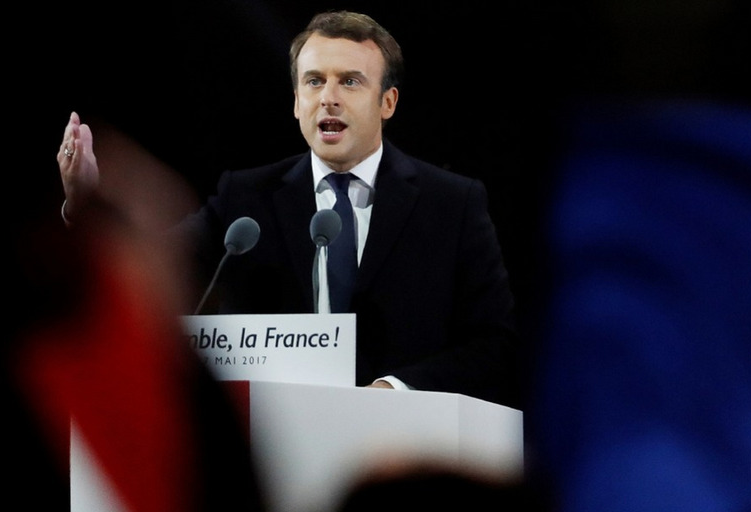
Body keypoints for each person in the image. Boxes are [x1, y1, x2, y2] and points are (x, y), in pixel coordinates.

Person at [55, 10, 520, 408]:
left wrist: (392, 390)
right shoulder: (247, 200)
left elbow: (494, 345)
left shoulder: (451, 203)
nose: (329, 97)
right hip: (280, 450)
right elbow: (157, 263)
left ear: (388, 102)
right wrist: (85, 207)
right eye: (314, 81)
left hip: (407, 448)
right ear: (296, 102)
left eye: (350, 82)